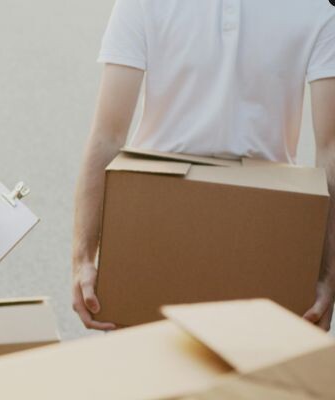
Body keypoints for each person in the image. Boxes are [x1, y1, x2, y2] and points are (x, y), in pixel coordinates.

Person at [72, 0, 335, 331]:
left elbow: (331, 149)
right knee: (154, 375)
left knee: (247, 376)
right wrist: (82, 259)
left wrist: (328, 275)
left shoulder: (317, 8)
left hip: (265, 229)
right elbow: (106, 136)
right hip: (156, 222)